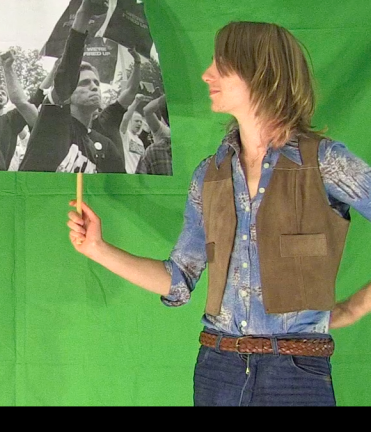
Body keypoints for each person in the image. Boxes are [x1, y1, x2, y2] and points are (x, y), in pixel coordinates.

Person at [67, 21, 371, 406]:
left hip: (295, 371)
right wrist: (97, 248)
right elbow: (177, 280)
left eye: (220, 65)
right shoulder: (209, 175)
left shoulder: (325, 163)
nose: (206, 74)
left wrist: (355, 307)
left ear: (261, 71)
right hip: (217, 369)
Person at [19, 0, 124, 173]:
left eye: (96, 83)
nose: (93, 87)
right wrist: (83, 16)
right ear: (69, 95)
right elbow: (66, 76)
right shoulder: (52, 121)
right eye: (84, 83)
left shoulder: (105, 146)